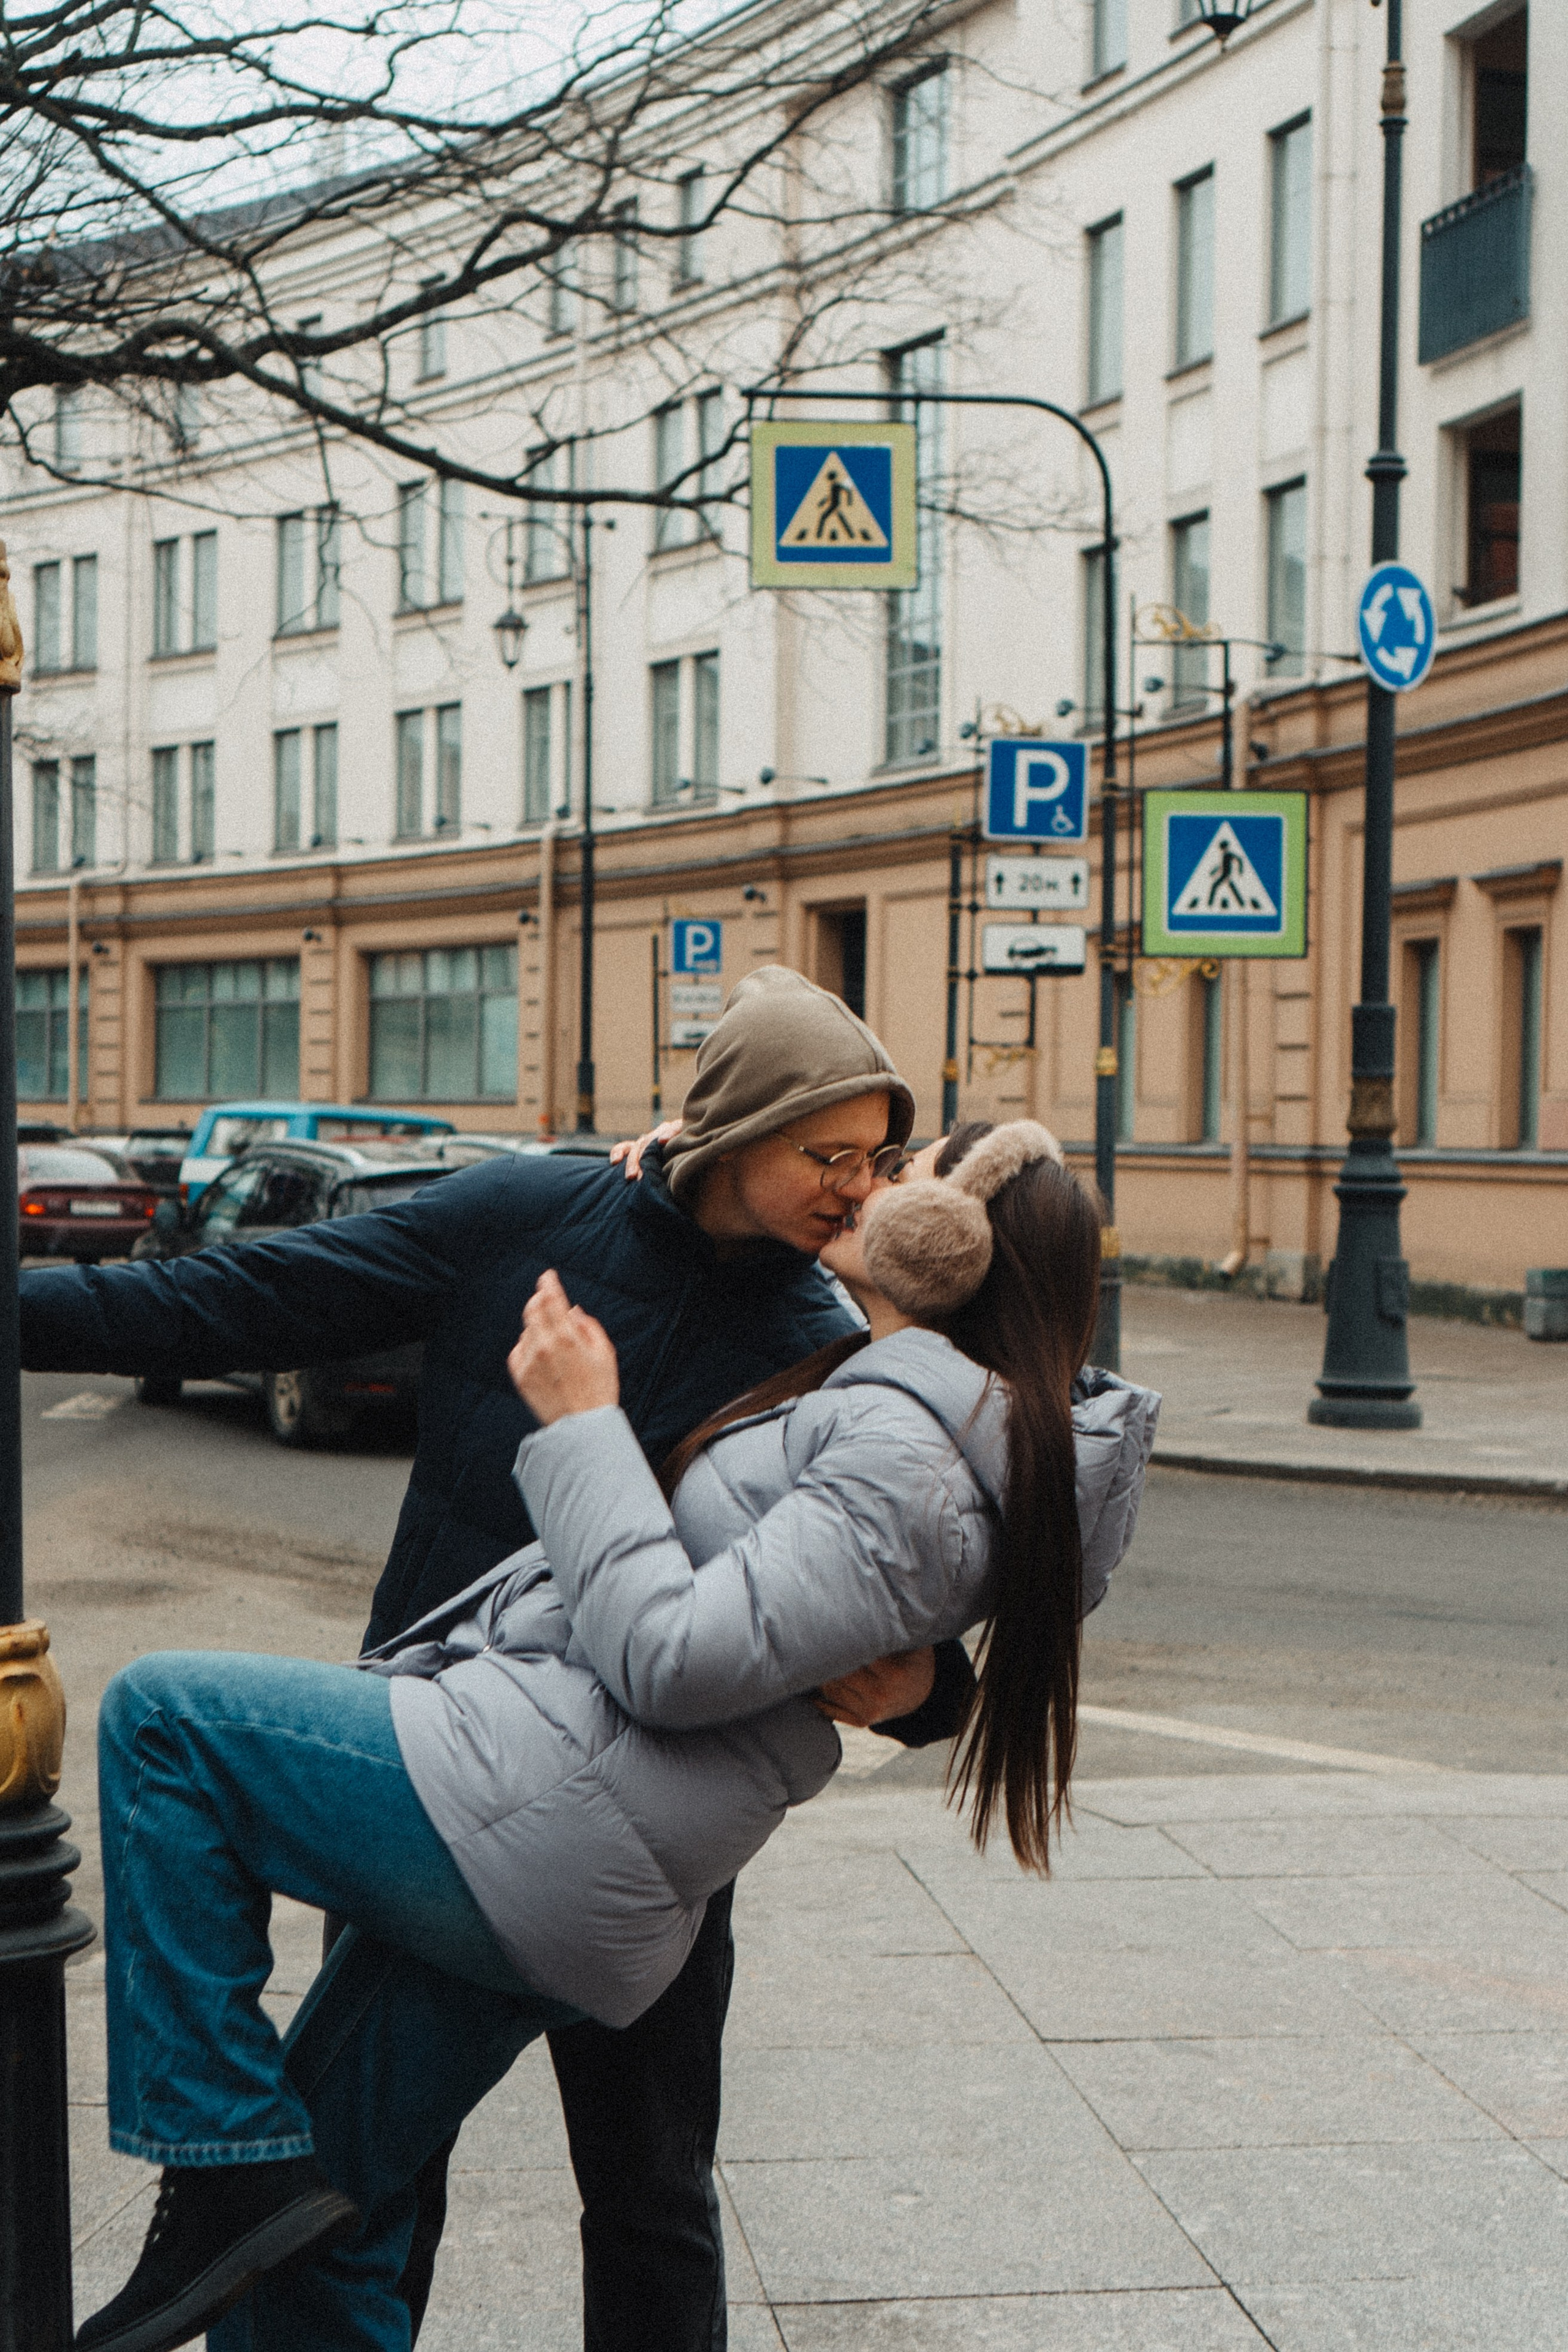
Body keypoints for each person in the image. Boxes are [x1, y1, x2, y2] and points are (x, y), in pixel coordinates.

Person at [75, 1120, 1158, 2352]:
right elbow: (238, 1297)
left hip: (563, 1807)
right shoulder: (832, 1348)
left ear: (955, 1244)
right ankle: (238, 2180)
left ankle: (214, 2150)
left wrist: (583, 1422)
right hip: (505, 1762)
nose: (859, 1183)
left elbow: (702, 1647)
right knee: (324, 2206)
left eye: (893, 1165)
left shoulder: (875, 1400)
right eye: (837, 1153)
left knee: (166, 1723)